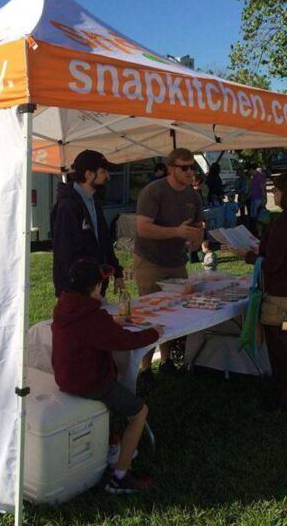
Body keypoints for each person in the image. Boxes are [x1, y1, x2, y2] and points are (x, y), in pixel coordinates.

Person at [51, 258, 163, 494]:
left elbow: (92, 329)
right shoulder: (94, 317)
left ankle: (112, 441)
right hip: (90, 382)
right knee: (139, 412)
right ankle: (120, 475)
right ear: (96, 287)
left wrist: (113, 321)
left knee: (117, 387)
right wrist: (155, 333)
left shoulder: (65, 307)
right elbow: (125, 341)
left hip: (65, 377)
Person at [233, 172, 287, 411]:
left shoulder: (285, 221)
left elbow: (272, 264)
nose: (272, 193)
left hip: (280, 293)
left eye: (276, 190)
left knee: (281, 346)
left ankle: (284, 396)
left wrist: (248, 255)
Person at [134, 148, 204, 390]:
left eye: (192, 167)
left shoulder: (194, 196)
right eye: (184, 167)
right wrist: (177, 232)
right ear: (170, 168)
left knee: (174, 313)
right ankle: (144, 369)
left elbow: (198, 228)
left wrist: (195, 240)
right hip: (150, 261)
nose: (190, 172)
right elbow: (143, 228)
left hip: (176, 261)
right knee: (150, 314)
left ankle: (166, 361)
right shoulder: (153, 191)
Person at [51, 150, 125, 297]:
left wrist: (117, 272)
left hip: (94, 285)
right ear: (89, 174)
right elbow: (65, 252)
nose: (108, 176)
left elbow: (104, 241)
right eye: (103, 172)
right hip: (77, 289)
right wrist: (84, 288)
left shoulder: (93, 200)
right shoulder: (67, 206)